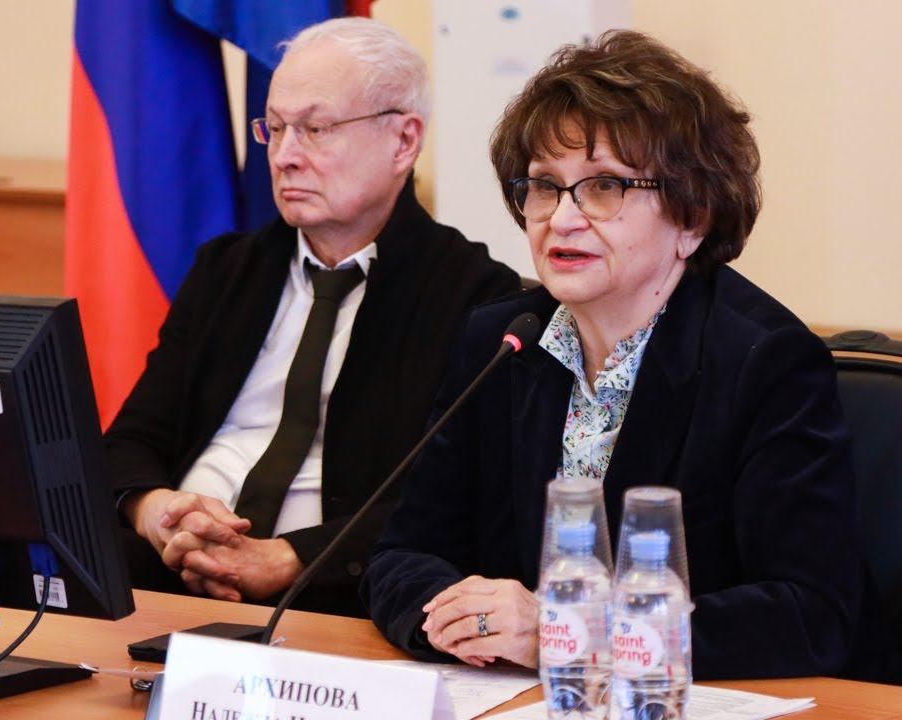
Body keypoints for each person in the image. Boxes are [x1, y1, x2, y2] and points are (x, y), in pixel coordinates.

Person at [363, 29, 881, 679]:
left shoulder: (764, 362)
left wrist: (568, 634)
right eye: (545, 185)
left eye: (604, 186)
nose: (561, 218)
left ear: (692, 217)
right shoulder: (502, 343)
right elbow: (402, 556)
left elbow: (810, 615)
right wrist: (462, 620)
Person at [106, 17, 521, 616]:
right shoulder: (227, 270)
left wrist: (290, 559)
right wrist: (159, 514)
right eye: (274, 128)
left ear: (403, 141)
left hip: (331, 597)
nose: (284, 156)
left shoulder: (474, 296)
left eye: (315, 129)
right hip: (168, 575)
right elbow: (131, 439)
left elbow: (451, 497)